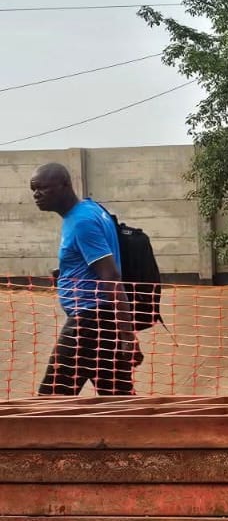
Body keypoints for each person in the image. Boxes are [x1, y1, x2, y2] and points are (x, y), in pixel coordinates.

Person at [30, 162, 139, 396]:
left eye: (42, 188)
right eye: (33, 189)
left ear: (64, 185)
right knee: (118, 399)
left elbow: (110, 275)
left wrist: (128, 335)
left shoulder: (81, 222)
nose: (36, 195)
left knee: (51, 401)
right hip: (103, 320)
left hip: (88, 322)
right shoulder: (89, 209)